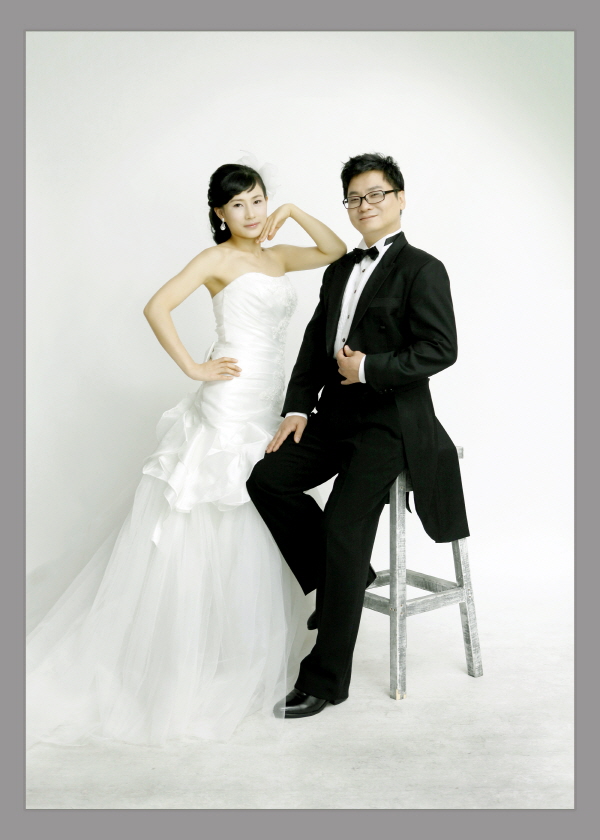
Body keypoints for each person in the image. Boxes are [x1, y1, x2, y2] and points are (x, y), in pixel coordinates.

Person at [26, 162, 347, 746]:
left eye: (258, 200)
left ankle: (251, 637)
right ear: (220, 213)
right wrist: (194, 368)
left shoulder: (278, 257)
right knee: (220, 503)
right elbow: (157, 306)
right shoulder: (214, 260)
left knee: (266, 502)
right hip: (230, 396)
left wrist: (293, 211)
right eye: (238, 205)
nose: (251, 213)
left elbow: (335, 249)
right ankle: (204, 646)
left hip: (271, 398)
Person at [247, 152, 469, 718]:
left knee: (343, 529)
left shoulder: (423, 268)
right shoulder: (339, 270)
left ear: (399, 199)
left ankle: (324, 681)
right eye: (354, 198)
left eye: (375, 194)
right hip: (333, 416)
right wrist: (298, 408)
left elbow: (441, 348)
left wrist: (370, 367)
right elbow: (313, 343)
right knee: (268, 480)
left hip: (390, 422)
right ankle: (338, 578)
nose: (364, 205)